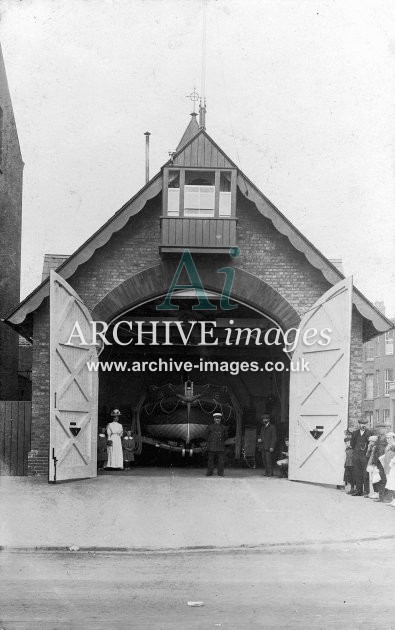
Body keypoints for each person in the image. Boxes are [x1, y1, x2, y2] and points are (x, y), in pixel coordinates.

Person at [349, 418, 371, 496]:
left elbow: (371, 445)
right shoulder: (355, 433)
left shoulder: (370, 433)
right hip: (356, 456)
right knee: (357, 473)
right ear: (359, 424)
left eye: (365, 424)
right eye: (362, 424)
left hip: (365, 456)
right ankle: (359, 490)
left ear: (366, 424)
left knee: (365, 473)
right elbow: (352, 444)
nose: (363, 425)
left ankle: (366, 491)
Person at [205, 412, 228, 477]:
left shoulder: (224, 427)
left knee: (221, 461)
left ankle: (220, 473)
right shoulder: (209, 427)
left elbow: (226, 437)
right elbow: (206, 436)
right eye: (216, 418)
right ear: (214, 419)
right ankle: (209, 473)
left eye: (219, 418)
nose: (217, 419)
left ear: (220, 419)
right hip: (211, 447)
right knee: (210, 461)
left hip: (220, 447)